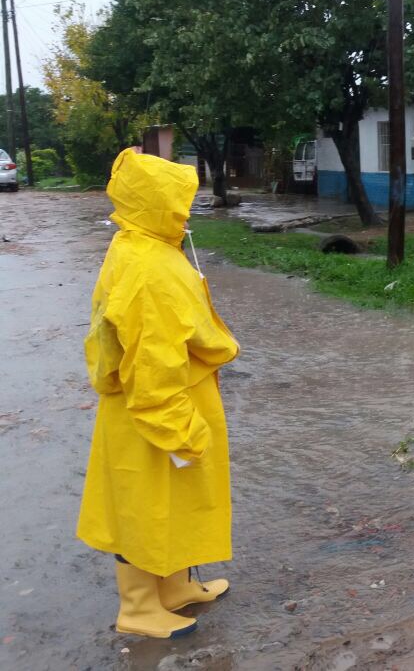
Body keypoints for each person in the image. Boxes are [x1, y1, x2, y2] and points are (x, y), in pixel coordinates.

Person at [77, 147, 239, 638]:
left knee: (173, 501)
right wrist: (180, 429)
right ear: (153, 202)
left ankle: (172, 587)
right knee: (141, 506)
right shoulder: (147, 268)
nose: (185, 210)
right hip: (152, 411)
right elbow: (152, 366)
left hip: (170, 399)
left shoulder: (144, 246)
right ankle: (138, 606)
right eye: (176, 199)